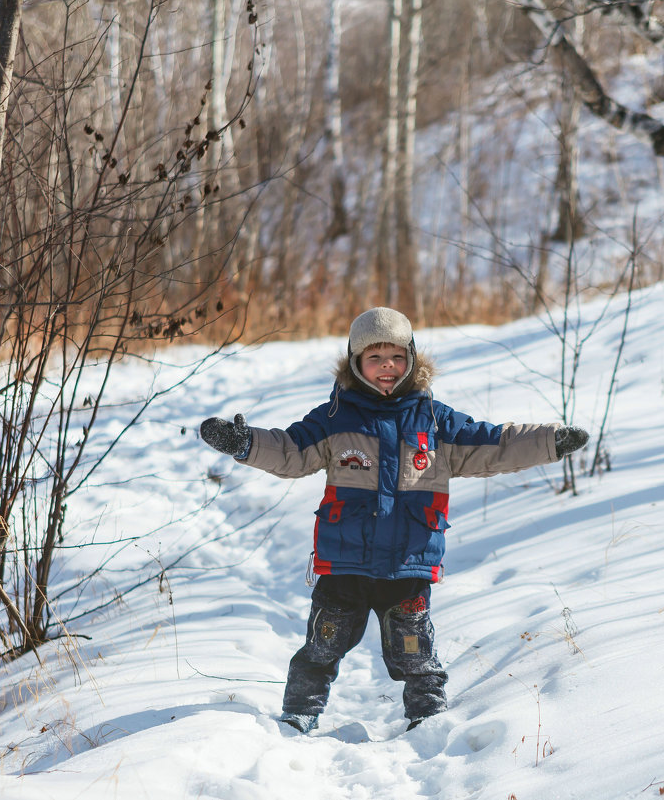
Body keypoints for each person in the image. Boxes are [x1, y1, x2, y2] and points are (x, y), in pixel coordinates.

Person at [199, 307, 589, 734]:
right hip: (345, 559)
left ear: (412, 360)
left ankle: (427, 719)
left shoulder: (436, 421)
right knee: (323, 643)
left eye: (397, 358)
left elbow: (493, 444)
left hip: (409, 559)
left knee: (414, 650)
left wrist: (549, 442)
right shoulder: (335, 418)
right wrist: (245, 443)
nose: (387, 367)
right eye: (375, 358)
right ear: (355, 363)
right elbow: (291, 451)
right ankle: (299, 714)